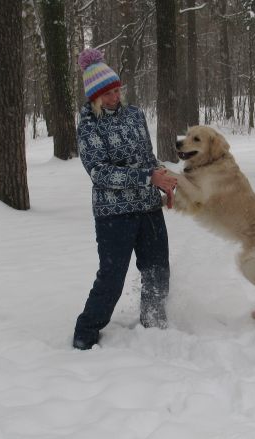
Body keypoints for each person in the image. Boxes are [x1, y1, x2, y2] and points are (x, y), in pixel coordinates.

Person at [73, 48, 177, 350]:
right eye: (108, 93)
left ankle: (154, 323)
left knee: (158, 269)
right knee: (112, 277)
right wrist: (148, 177)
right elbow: (100, 173)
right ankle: (86, 331)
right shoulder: (89, 124)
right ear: (95, 96)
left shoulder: (135, 115)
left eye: (118, 90)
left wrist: (163, 180)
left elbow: (148, 157)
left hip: (147, 207)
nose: (115, 97)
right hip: (113, 214)